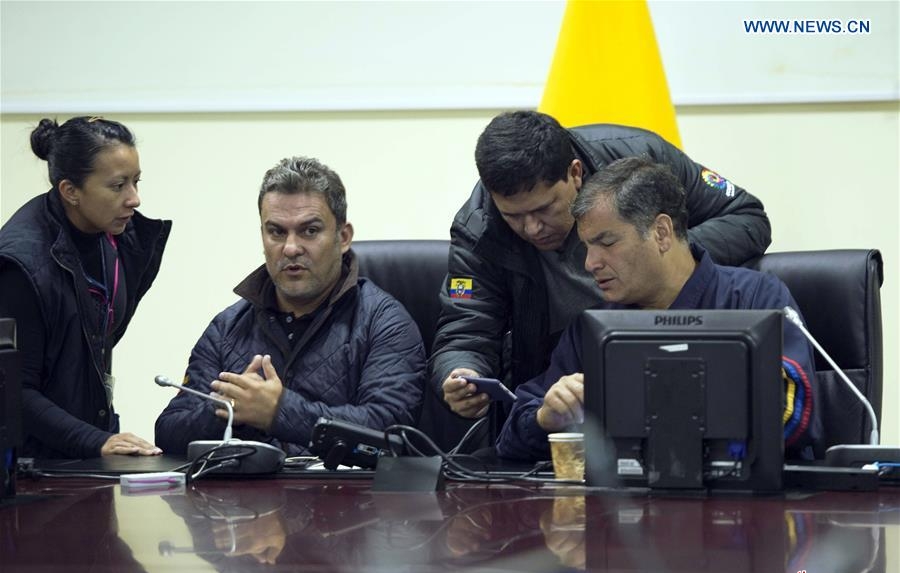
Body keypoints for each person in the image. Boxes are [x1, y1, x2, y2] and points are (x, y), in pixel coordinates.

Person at [431, 111, 773, 445]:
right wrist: (462, 374)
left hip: (669, 338)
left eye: (544, 209)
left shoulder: (643, 159)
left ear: (575, 174)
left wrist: (654, 266)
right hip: (566, 372)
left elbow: (746, 216)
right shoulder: (479, 230)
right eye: (514, 216)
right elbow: (465, 331)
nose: (532, 228)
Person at [495, 157, 820, 462]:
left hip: (744, 508)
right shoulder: (594, 325)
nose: (590, 263)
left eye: (606, 243)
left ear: (661, 233)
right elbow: (511, 436)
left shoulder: (754, 299)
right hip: (623, 512)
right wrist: (544, 418)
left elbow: (792, 413)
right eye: (587, 246)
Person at [155, 156, 425, 456]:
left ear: (343, 237)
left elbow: (393, 432)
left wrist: (279, 412)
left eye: (309, 231)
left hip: (345, 498)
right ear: (262, 236)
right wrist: (231, 411)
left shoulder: (384, 322)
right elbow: (168, 432)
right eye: (277, 232)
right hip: (244, 502)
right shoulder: (228, 328)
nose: (291, 248)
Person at [0, 116, 171, 459]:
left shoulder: (121, 239)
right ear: (70, 191)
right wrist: (95, 440)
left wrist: (99, 439)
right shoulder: (21, 265)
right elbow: (14, 391)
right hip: (31, 468)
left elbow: (88, 353)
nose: (134, 199)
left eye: (136, 182)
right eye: (118, 185)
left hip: (87, 447)